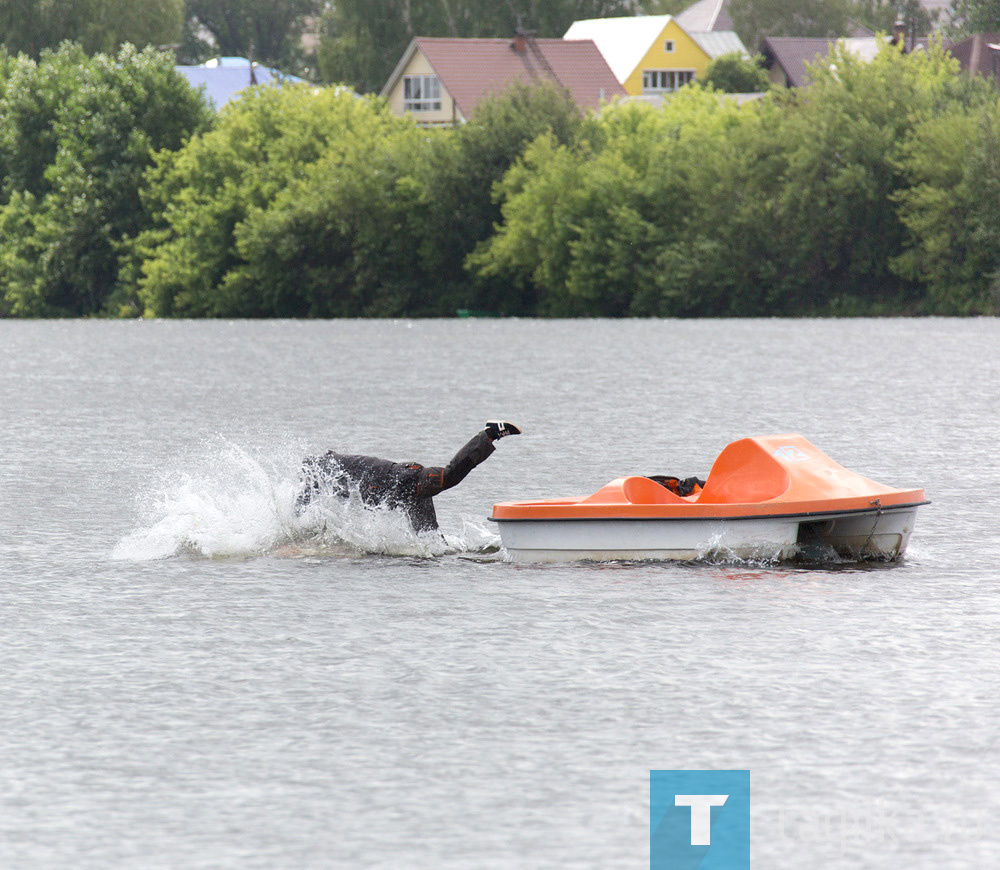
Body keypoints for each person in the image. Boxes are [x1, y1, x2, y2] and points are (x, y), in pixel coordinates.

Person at [295, 421, 523, 532]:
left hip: (405, 478)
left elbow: (300, 507)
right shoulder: (330, 478)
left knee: (449, 476)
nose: (303, 481)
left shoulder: (326, 468)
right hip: (406, 495)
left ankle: (491, 433)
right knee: (431, 544)